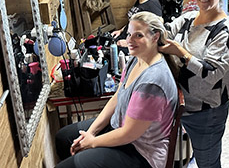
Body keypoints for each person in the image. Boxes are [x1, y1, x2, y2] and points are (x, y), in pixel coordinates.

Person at [55, 12, 178, 168]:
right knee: (63, 138)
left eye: (138, 36)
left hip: (140, 151)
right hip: (120, 128)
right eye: (129, 34)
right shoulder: (136, 58)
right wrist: (91, 132)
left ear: (155, 37)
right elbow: (117, 97)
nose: (130, 41)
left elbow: (129, 134)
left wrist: (93, 143)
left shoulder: (153, 83)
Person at [159, 0, 229, 168]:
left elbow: (211, 73)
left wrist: (182, 53)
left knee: (208, 163)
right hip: (182, 103)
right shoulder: (188, 18)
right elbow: (166, 31)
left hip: (207, 112)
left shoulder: (226, 31)